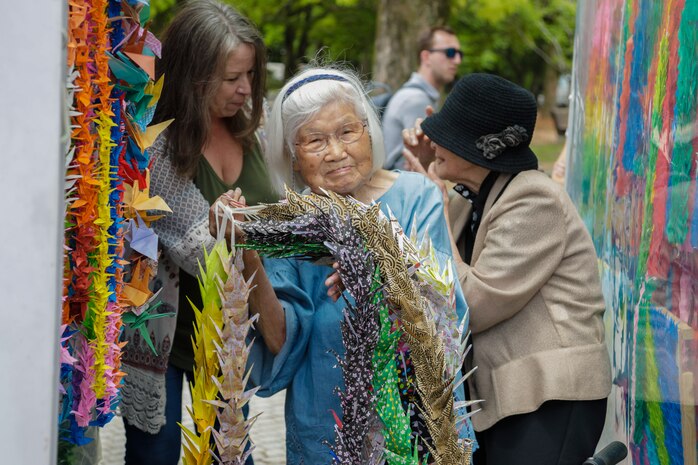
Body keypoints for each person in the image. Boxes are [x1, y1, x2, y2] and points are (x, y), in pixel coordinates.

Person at [216, 67, 473, 464]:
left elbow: (441, 312)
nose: (335, 152)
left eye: (347, 132)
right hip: (325, 434)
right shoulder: (289, 224)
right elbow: (280, 341)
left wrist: (374, 265)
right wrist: (246, 248)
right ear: (293, 158)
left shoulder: (415, 197)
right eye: (315, 141)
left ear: (369, 132)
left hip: (416, 428)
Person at [402, 73, 612, 465]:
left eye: (447, 136)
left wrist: (435, 207)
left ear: (479, 149)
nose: (435, 140)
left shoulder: (535, 199)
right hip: (510, 399)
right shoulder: (479, 193)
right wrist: (430, 172)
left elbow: (469, 304)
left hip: (551, 399)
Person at [119, 1, 276, 464]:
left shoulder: (254, 135)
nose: (245, 90)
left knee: (231, 456)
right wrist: (250, 240)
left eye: (250, 75)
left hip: (226, 341)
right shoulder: (156, 142)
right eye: (232, 78)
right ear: (191, 75)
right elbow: (202, 252)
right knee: (157, 455)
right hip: (161, 338)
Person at [382, 26, 462, 171]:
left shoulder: (419, 96)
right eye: (450, 52)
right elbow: (416, 166)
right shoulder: (416, 100)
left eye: (459, 54)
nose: (457, 60)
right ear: (426, 57)